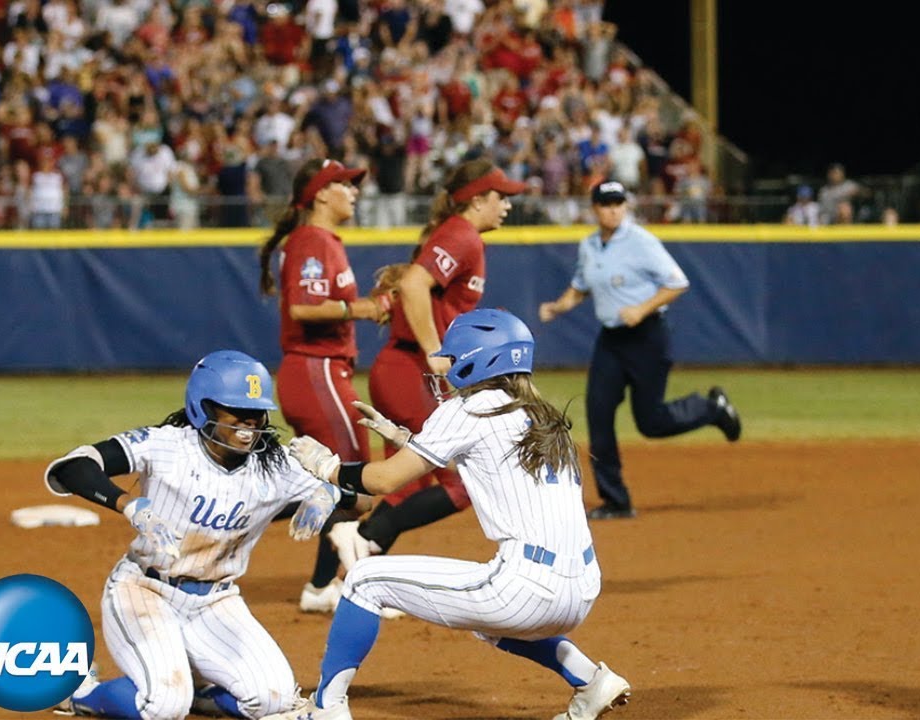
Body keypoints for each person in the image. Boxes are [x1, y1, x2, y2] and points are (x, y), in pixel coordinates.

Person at [276, 309, 632, 720]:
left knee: (362, 580)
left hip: (525, 590)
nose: (445, 366)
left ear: (477, 359)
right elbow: (485, 464)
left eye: (453, 356)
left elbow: (386, 480)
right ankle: (590, 681)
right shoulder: (543, 416)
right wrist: (405, 439)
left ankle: (325, 709)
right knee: (488, 621)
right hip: (582, 589)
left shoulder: (471, 409)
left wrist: (329, 469)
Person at [44, 350, 353, 719]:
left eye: (256, 413)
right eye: (236, 411)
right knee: (162, 707)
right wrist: (129, 503)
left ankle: (198, 696)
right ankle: (83, 693)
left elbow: (362, 499)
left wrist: (331, 489)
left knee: (274, 699)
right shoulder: (166, 446)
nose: (248, 423)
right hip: (144, 591)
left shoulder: (275, 464)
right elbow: (73, 467)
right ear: (202, 408)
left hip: (217, 602)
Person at [334, 159, 527, 567]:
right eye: (501, 196)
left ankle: (347, 576)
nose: (507, 204)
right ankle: (359, 537)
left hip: (400, 369)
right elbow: (413, 283)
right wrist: (433, 349)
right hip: (408, 370)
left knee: (407, 483)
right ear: (476, 200)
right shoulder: (463, 234)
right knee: (461, 484)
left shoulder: (459, 234)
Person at [538, 180, 742, 520]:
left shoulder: (641, 241)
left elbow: (677, 282)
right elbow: (580, 286)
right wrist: (559, 306)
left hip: (647, 336)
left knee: (650, 421)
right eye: (606, 204)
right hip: (611, 340)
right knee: (598, 414)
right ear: (595, 209)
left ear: (626, 206)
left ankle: (711, 409)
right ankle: (616, 500)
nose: (614, 209)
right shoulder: (589, 245)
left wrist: (641, 309)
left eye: (619, 203)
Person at [258, 158, 386, 613]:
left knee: (338, 487)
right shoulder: (312, 240)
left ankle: (321, 585)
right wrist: (363, 309)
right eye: (344, 184)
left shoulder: (322, 240)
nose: (353, 191)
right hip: (317, 370)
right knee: (357, 487)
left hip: (321, 372)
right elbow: (304, 309)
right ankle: (343, 583)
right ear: (319, 194)